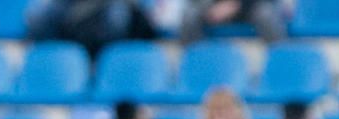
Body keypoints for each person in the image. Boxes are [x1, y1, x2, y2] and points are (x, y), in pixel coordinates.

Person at [27, 0, 155, 60]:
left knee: (117, 13)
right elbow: (37, 25)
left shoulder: (119, 9)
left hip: (107, 45)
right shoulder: (57, 8)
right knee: (38, 14)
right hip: (71, 37)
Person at [179, 0, 285, 44]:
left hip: (249, 6)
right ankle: (195, 65)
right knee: (190, 15)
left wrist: (236, 4)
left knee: (266, 15)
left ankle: (281, 61)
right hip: (214, 6)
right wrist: (210, 8)